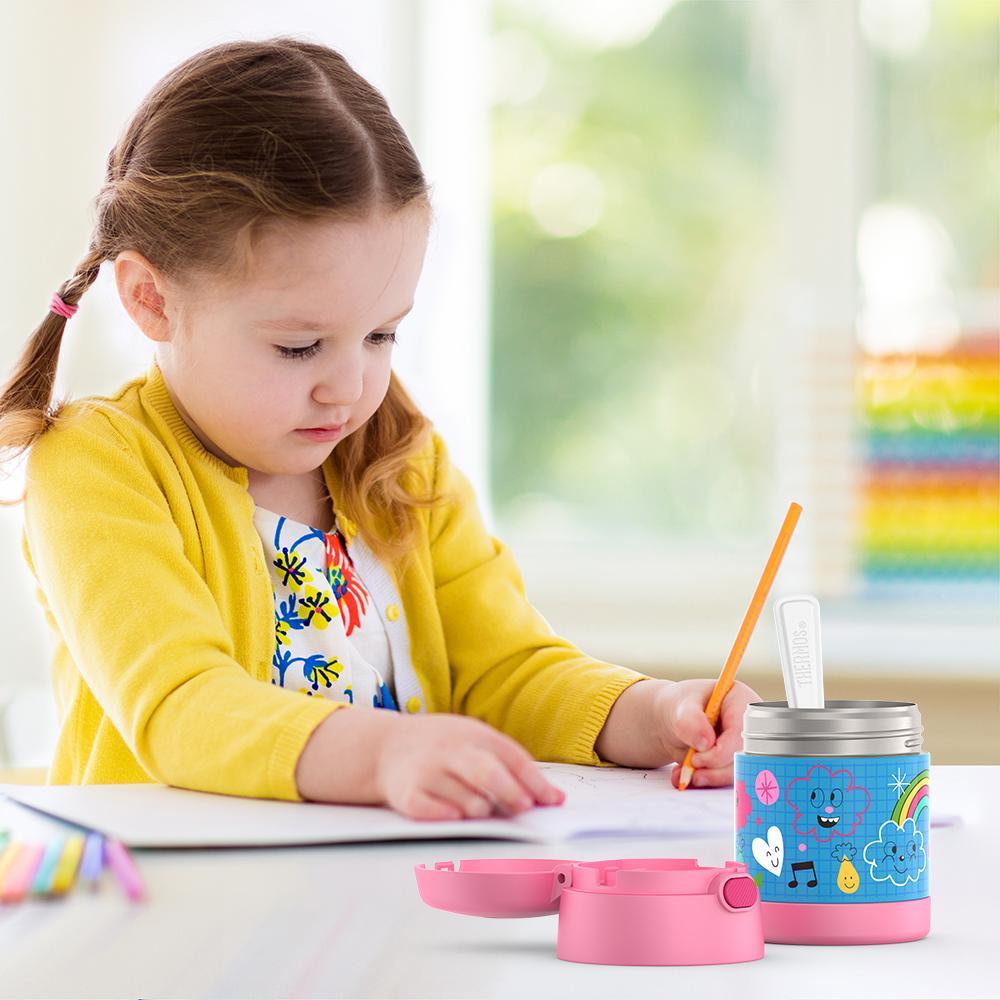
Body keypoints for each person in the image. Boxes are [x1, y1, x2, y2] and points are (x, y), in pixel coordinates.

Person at [0, 37, 758, 821]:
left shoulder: (399, 458)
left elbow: (502, 670)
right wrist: (386, 751)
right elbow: (183, 705)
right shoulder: (96, 466)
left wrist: (655, 714)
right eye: (299, 346)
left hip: (381, 901)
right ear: (150, 300)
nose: (351, 386)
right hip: (176, 914)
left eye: (382, 335)